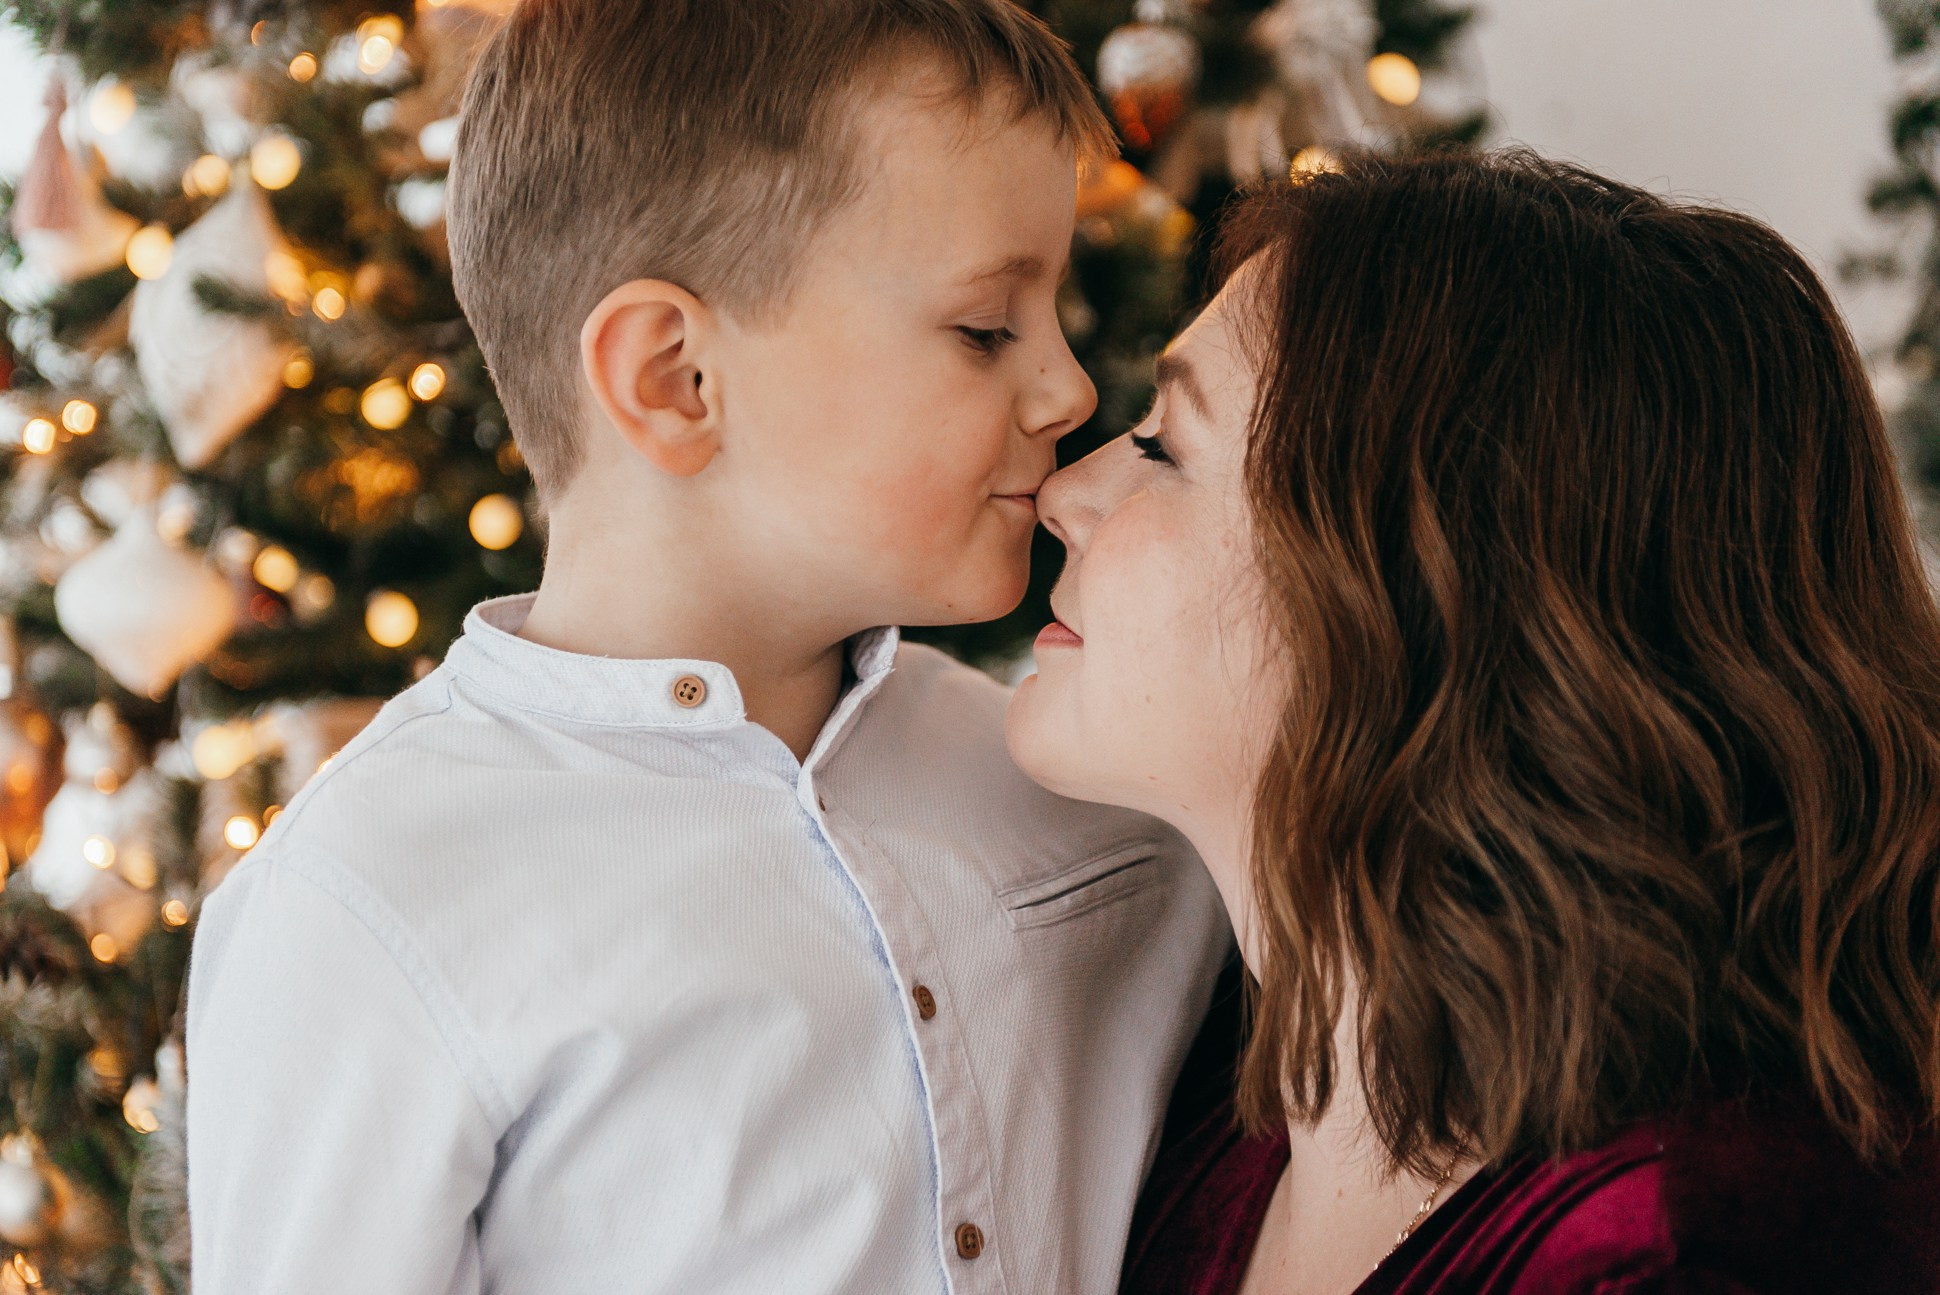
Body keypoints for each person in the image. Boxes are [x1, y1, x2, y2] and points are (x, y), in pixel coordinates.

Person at [182, 3, 1230, 1291]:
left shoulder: (1077, 774)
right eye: (984, 327)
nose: (1071, 390)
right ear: (675, 378)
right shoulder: (368, 900)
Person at [1007, 148, 1940, 1295]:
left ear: (1422, 587)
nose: (1062, 492)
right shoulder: (1202, 1088)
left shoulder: (1690, 1248)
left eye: (1163, 444)